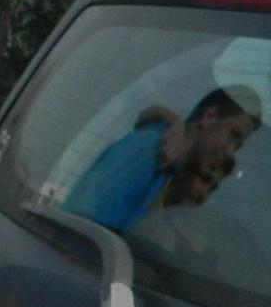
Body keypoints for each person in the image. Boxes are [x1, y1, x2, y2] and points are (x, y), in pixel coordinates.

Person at [63, 85, 262, 232]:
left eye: (238, 146)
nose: (230, 152)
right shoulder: (149, 150)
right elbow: (82, 229)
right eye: (233, 136)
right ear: (209, 116)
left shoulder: (168, 165)